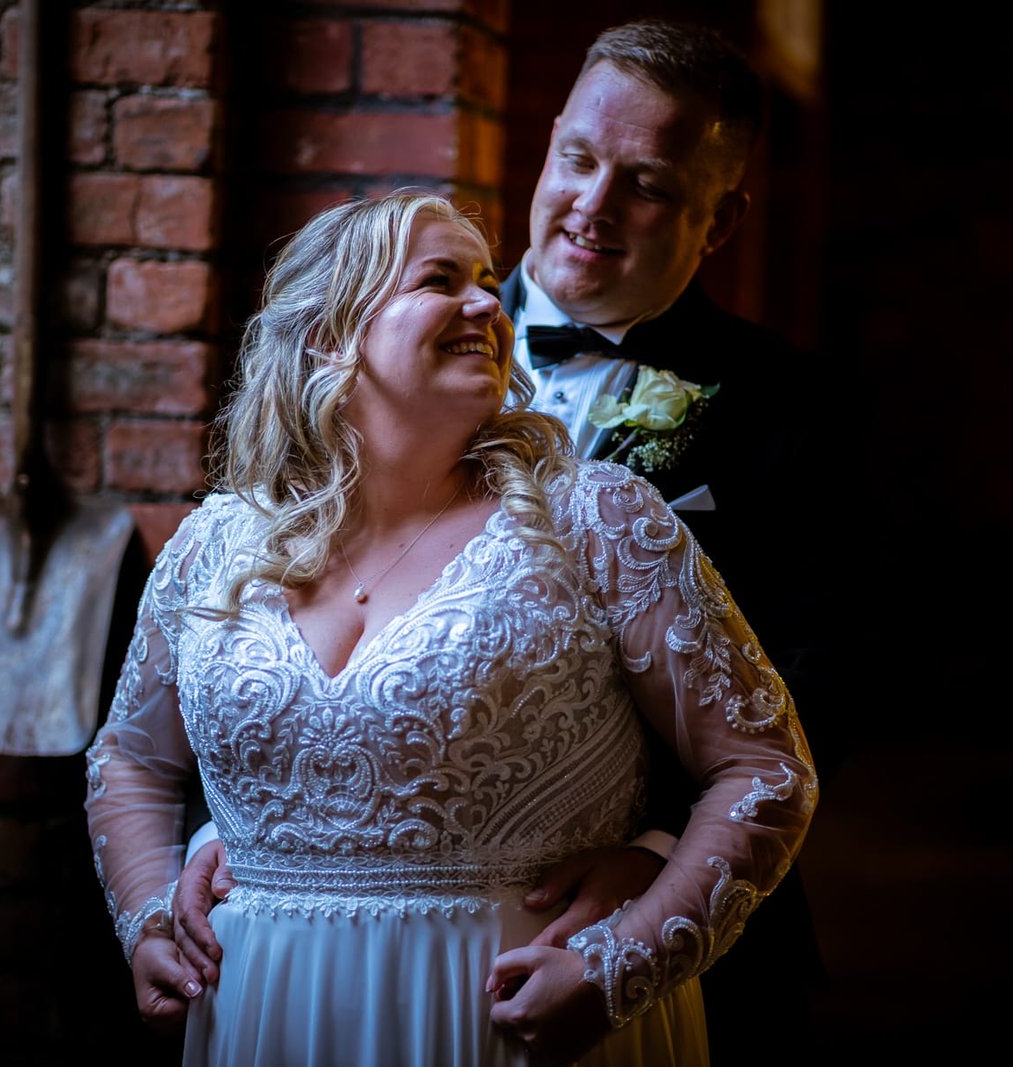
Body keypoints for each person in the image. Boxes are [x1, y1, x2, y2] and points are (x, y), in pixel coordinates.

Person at [172, 18, 842, 1062]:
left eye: (648, 183)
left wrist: (655, 856)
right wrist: (253, 828)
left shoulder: (791, 409)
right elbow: (271, 615)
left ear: (718, 222)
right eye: (576, 158)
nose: (592, 204)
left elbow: (810, 678)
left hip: (637, 928)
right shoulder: (372, 340)